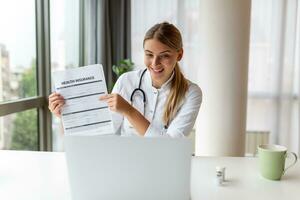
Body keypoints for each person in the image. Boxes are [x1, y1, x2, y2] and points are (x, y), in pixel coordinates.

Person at [48, 22, 202, 138]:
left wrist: (129, 111)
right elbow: (101, 135)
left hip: (164, 170)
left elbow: (170, 147)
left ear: (179, 55)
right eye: (149, 54)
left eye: (165, 55)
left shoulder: (191, 93)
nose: (155, 63)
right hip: (123, 167)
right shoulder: (126, 81)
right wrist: (67, 115)